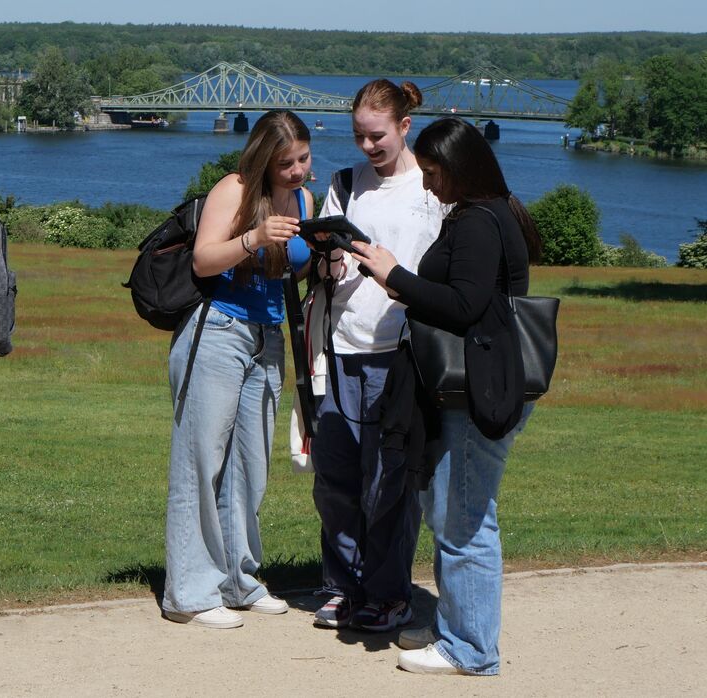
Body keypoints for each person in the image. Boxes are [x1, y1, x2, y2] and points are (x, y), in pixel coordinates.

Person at [351, 116, 543, 675]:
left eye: (434, 173)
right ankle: (457, 628)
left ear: (460, 170)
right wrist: (396, 280)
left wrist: (395, 275)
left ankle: (473, 650)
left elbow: (464, 306)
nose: (428, 183)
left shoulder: (480, 220)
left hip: (475, 389)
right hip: (473, 385)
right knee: (451, 509)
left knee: (464, 519)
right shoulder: (490, 212)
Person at [161, 110, 314, 629]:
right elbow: (203, 261)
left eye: (303, 159)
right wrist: (254, 237)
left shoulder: (305, 200)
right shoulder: (235, 188)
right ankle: (190, 592)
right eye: (286, 163)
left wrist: (322, 258)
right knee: (201, 461)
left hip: (268, 339)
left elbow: (295, 266)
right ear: (263, 159)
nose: (296, 171)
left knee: (251, 466)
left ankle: (240, 581)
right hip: (219, 331)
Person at [309, 79, 448, 632]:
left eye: (377, 136)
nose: (367, 147)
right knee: (336, 480)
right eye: (359, 137)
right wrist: (327, 264)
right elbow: (320, 264)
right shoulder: (344, 186)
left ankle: (388, 593)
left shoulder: (432, 190)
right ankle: (342, 585)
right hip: (343, 346)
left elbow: (442, 274)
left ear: (404, 127)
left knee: (390, 482)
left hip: (402, 351)